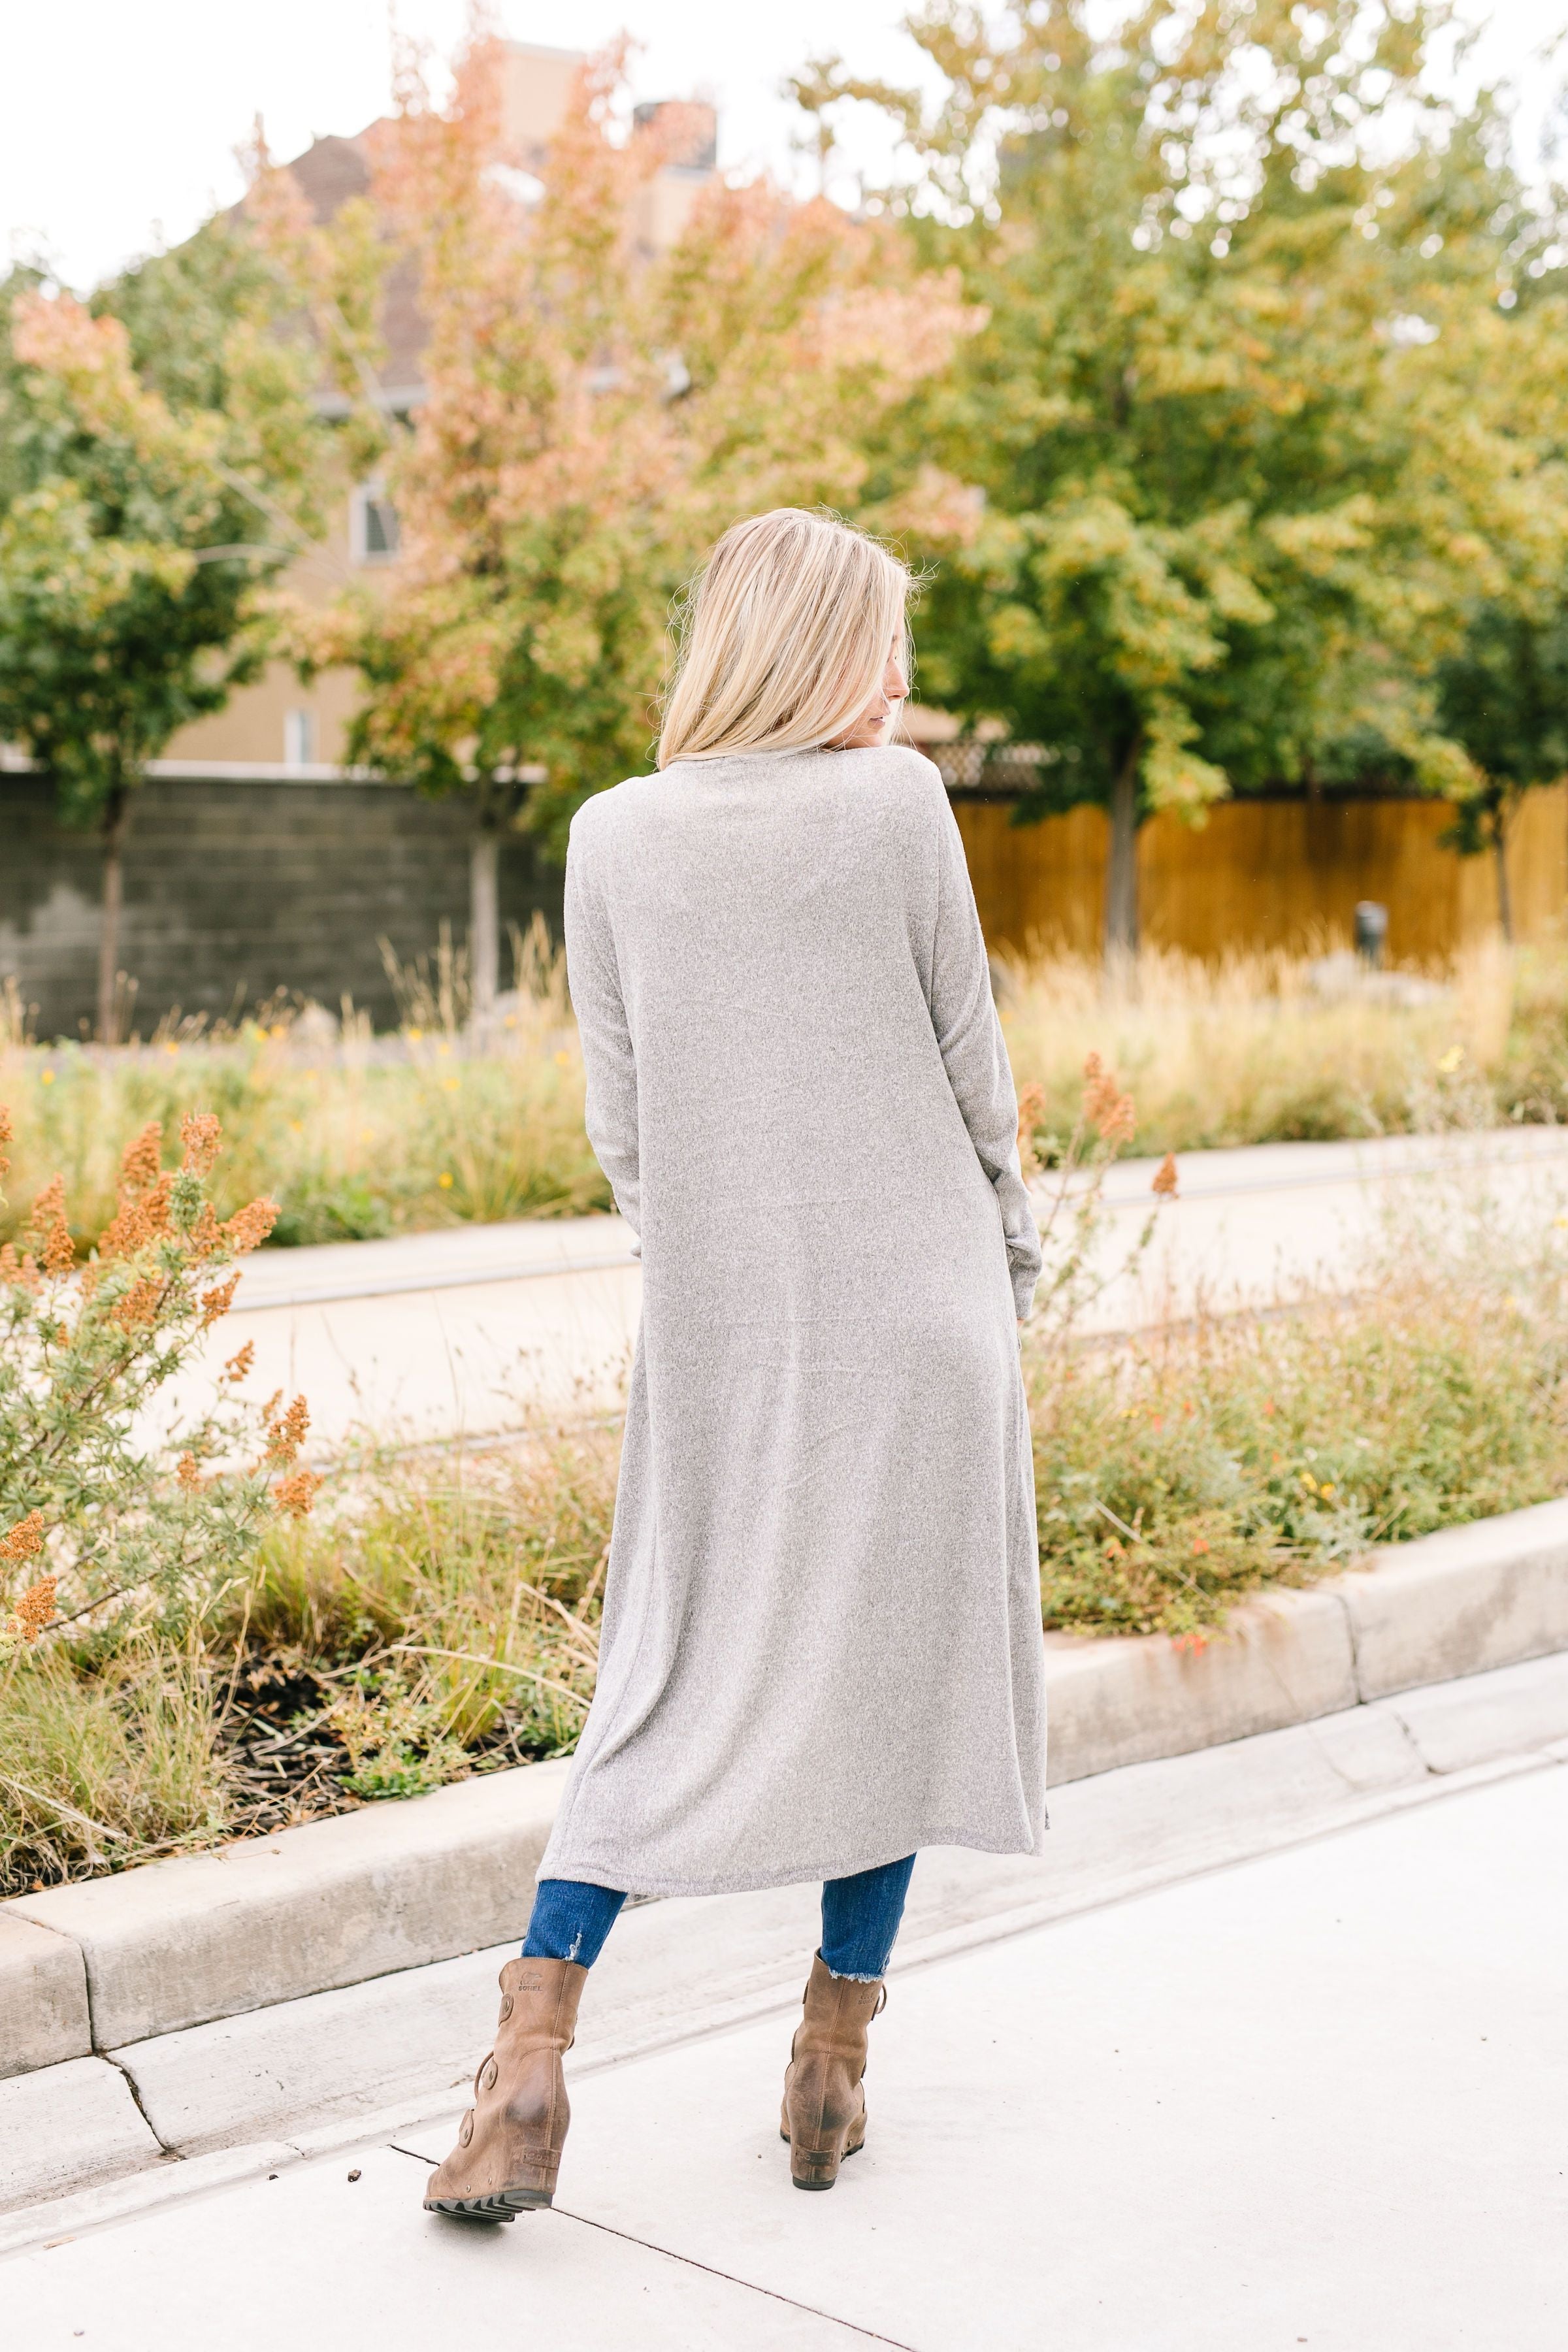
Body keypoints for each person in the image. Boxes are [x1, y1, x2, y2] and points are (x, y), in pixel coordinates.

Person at [424, 506, 1045, 2221]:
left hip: (725, 1333)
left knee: (665, 1673)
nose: (905, 686)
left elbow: (625, 1126)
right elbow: (972, 1069)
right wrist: (1014, 1263)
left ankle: (528, 2065)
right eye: (888, 647)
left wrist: (724, 1269)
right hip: (924, 1318)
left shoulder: (610, 836)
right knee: (882, 1690)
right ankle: (830, 2066)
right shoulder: (900, 805)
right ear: (829, 653)